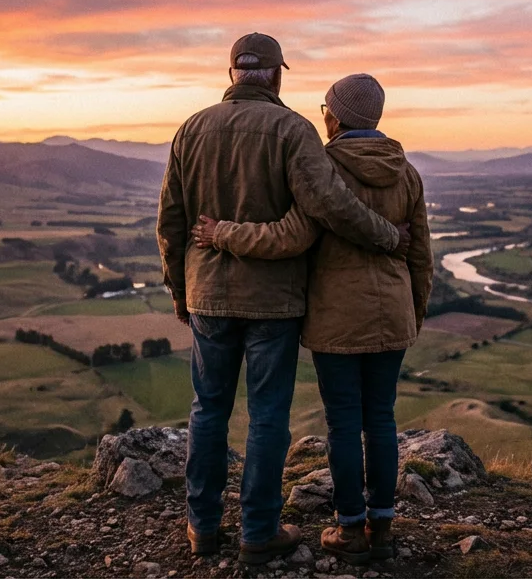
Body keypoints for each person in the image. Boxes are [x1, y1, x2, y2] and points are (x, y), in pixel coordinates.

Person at [157, 34, 409, 565]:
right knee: (268, 416)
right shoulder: (294, 130)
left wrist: (181, 291)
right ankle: (258, 532)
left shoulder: (190, 129)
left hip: (207, 294)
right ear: (276, 76)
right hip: (274, 300)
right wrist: (388, 237)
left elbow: (171, 223)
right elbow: (331, 206)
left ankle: (201, 528)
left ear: (233, 74)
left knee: (208, 411)